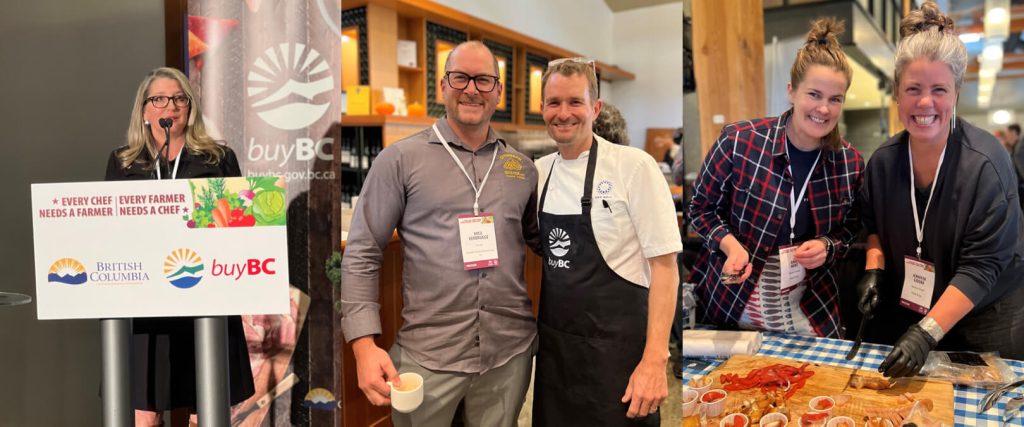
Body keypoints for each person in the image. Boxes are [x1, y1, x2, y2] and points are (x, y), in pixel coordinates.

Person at [340, 41, 539, 427]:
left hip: (508, 352)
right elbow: (362, 252)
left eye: (484, 80)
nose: (472, 89)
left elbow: (543, 243)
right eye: (460, 77)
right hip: (428, 355)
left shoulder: (522, 168)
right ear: (443, 87)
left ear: (498, 91)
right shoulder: (399, 160)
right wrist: (364, 345)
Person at [856, 1, 1024, 378]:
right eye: (913, 88)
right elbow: (872, 227)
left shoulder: (985, 163)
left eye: (939, 89)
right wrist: (875, 268)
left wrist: (926, 333)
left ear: (956, 94)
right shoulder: (883, 163)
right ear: (897, 94)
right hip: (917, 307)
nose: (925, 102)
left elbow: (982, 268)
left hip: (987, 315)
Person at [687, 18, 865, 339]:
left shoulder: (849, 163)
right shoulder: (739, 141)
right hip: (732, 306)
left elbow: (852, 227)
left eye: (835, 99)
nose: (823, 109)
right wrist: (730, 246)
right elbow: (700, 209)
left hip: (808, 312)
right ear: (792, 91)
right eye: (814, 94)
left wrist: (828, 245)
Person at [532, 58, 680, 426]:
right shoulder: (538, 173)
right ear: (542, 109)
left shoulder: (633, 166)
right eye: (554, 103)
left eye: (575, 102)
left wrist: (655, 360)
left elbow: (665, 270)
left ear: (595, 108)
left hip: (618, 358)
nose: (563, 113)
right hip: (557, 357)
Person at [104, 67, 254, 426]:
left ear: (190, 108)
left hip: (205, 299)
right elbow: (110, 232)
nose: (169, 106)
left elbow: (239, 228)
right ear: (144, 110)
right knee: (145, 413)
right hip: (145, 306)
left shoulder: (217, 159)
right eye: (158, 99)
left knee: (207, 406)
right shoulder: (124, 163)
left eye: (178, 98)